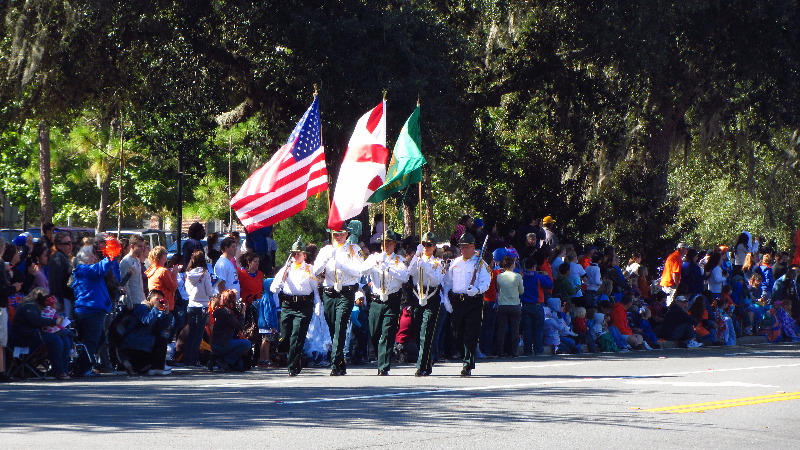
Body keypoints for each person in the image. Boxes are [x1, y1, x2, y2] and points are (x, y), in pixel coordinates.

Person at [314, 226, 365, 376]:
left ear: (347, 234)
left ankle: (335, 364)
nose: (338, 236)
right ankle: (340, 359)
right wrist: (326, 258)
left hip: (346, 293)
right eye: (335, 233)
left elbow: (359, 271)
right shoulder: (326, 250)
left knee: (340, 326)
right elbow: (316, 272)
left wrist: (341, 265)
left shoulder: (353, 249)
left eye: (341, 233)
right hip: (329, 293)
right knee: (332, 327)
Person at [443, 233, 491, 377]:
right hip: (457, 301)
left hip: (473, 301)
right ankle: (465, 356)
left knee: (471, 333)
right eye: (462, 247)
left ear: (473, 247)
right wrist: (446, 299)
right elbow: (448, 283)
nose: (464, 250)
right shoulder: (455, 263)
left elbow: (486, 283)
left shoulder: (481, 263)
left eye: (467, 247)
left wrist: (477, 289)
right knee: (457, 333)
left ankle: (467, 363)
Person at [360, 232, 408, 376]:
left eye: (389, 243)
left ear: (394, 245)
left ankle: (384, 366)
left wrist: (389, 268)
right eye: (384, 243)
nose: (386, 246)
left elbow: (404, 277)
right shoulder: (374, 257)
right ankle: (380, 356)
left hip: (391, 300)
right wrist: (375, 263)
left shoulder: (399, 260)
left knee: (387, 333)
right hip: (375, 300)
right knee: (375, 332)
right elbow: (361, 271)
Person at [272, 238, 319, 376]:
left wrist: (318, 306)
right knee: (286, 336)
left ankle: (292, 365)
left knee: (297, 336)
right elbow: (273, 288)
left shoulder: (310, 270)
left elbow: (315, 290)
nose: (295, 256)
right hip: (288, 304)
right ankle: (290, 356)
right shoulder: (286, 269)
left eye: (298, 253)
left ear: (304, 255)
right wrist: (279, 284)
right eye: (293, 254)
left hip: (304, 305)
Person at [72, 245, 120, 377]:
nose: (94, 257)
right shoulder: (84, 269)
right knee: (91, 340)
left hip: (91, 310)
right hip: (90, 311)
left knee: (98, 338)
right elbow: (100, 268)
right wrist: (111, 254)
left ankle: (83, 365)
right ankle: (83, 368)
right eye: (92, 255)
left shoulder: (87, 271)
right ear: (84, 258)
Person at [11, 288, 72, 379]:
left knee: (65, 338)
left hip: (35, 334)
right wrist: (54, 322)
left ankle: (63, 370)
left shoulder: (37, 306)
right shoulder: (28, 306)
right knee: (55, 340)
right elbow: (36, 321)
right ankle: (59, 371)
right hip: (25, 336)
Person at [408, 232, 446, 377]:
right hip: (418, 296)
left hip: (431, 297)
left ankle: (421, 366)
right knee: (418, 333)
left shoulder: (438, 262)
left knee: (427, 332)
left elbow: (437, 280)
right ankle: (427, 360)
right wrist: (416, 257)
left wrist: (426, 266)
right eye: (423, 244)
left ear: (434, 247)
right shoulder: (417, 259)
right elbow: (409, 273)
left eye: (429, 245)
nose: (426, 247)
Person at [119, 289, 174, 375]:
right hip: (135, 343)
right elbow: (147, 321)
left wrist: (166, 313)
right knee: (141, 368)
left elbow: (161, 327)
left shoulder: (154, 311)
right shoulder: (142, 308)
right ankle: (155, 367)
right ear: (149, 298)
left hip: (145, 344)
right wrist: (155, 308)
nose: (158, 301)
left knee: (162, 339)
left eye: (161, 300)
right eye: (157, 299)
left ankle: (154, 367)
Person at [183, 250, 215, 367]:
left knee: (191, 333)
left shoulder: (188, 273)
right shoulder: (205, 273)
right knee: (198, 334)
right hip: (202, 305)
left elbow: (186, 289)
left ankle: (187, 358)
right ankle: (194, 359)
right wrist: (211, 295)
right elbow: (209, 289)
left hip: (191, 304)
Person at [519, 252, 554, 356]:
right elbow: (549, 286)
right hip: (537, 305)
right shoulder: (538, 277)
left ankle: (527, 350)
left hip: (524, 305)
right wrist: (547, 276)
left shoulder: (521, 276)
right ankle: (538, 350)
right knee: (538, 329)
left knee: (527, 329)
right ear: (534, 267)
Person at [210, 289, 251, 371]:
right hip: (223, 344)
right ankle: (226, 360)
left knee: (240, 365)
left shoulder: (220, 310)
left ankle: (219, 359)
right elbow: (240, 327)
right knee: (247, 343)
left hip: (216, 343)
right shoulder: (227, 313)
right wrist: (242, 313)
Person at [493, 256, 523, 357]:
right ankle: (513, 351)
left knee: (501, 329)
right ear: (512, 265)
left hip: (502, 304)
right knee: (515, 329)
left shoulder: (499, 276)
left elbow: (498, 288)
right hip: (515, 304)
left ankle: (499, 351)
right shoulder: (517, 276)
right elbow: (521, 291)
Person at [48, 231, 75, 318]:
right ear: (59, 245)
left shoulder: (63, 257)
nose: (70, 246)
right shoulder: (58, 257)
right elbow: (56, 281)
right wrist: (59, 301)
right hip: (61, 299)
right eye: (67, 243)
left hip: (65, 298)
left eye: (71, 242)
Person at [119, 235, 145, 310]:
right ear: (132, 246)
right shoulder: (125, 261)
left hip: (140, 299)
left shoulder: (137, 260)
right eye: (139, 246)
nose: (142, 249)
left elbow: (139, 281)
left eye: (143, 246)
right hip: (133, 301)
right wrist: (129, 301)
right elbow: (125, 283)